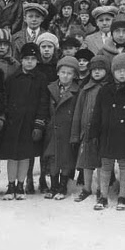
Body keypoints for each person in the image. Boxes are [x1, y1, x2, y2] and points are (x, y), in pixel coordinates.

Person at [90, 53, 125, 211]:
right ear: (112, 72)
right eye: (118, 70)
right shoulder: (105, 90)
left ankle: (122, 196)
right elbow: (97, 114)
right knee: (106, 165)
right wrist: (94, 134)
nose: (122, 73)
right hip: (107, 134)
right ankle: (103, 196)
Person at [0, 43, 49, 200]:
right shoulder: (13, 78)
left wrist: (39, 124)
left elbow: (43, 102)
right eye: (26, 59)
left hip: (30, 123)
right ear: (21, 60)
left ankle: (21, 185)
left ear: (37, 61)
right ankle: (11, 184)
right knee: (13, 155)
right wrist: (4, 117)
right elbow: (5, 99)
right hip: (13, 123)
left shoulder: (41, 79)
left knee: (25, 155)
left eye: (33, 59)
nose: (29, 62)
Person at [70, 55, 111, 203]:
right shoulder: (85, 89)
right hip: (86, 132)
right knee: (87, 162)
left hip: (103, 132)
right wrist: (75, 134)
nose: (97, 73)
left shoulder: (109, 89)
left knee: (101, 162)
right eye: (94, 70)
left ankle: (101, 188)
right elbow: (78, 112)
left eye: (100, 70)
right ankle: (87, 188)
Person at [43, 56, 80, 200]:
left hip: (68, 129)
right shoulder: (51, 88)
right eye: (63, 72)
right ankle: (53, 186)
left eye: (69, 73)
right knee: (53, 158)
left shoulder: (78, 91)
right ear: (58, 72)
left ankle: (62, 187)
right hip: (52, 129)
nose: (65, 76)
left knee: (66, 159)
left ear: (75, 75)